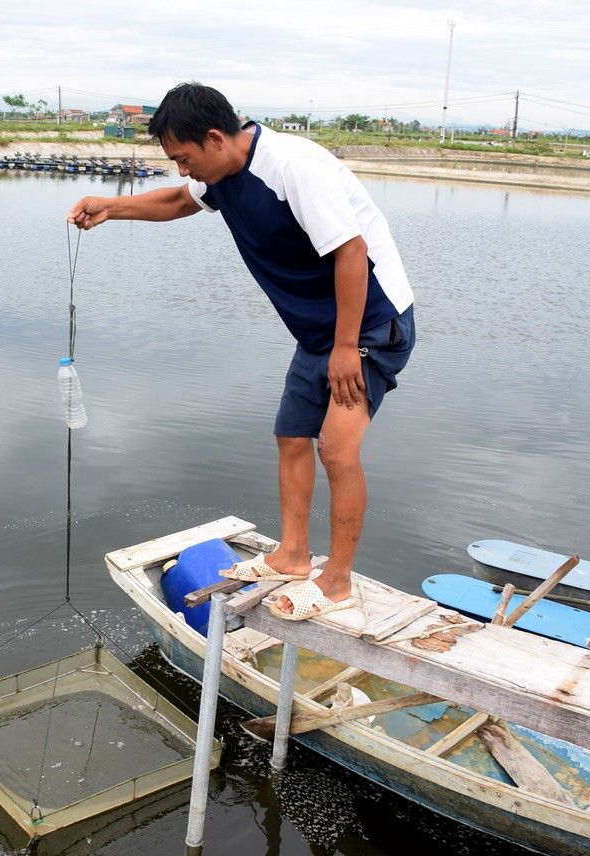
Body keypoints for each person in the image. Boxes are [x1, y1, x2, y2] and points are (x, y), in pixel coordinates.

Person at [68, 82, 415, 622]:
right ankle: (293, 556)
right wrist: (112, 206)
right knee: (291, 436)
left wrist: (347, 347)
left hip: (370, 323)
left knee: (337, 450)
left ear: (213, 137)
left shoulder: (293, 167)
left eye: (184, 158)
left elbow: (352, 252)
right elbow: (181, 201)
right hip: (320, 332)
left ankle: (338, 581)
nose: (183, 171)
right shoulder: (220, 173)